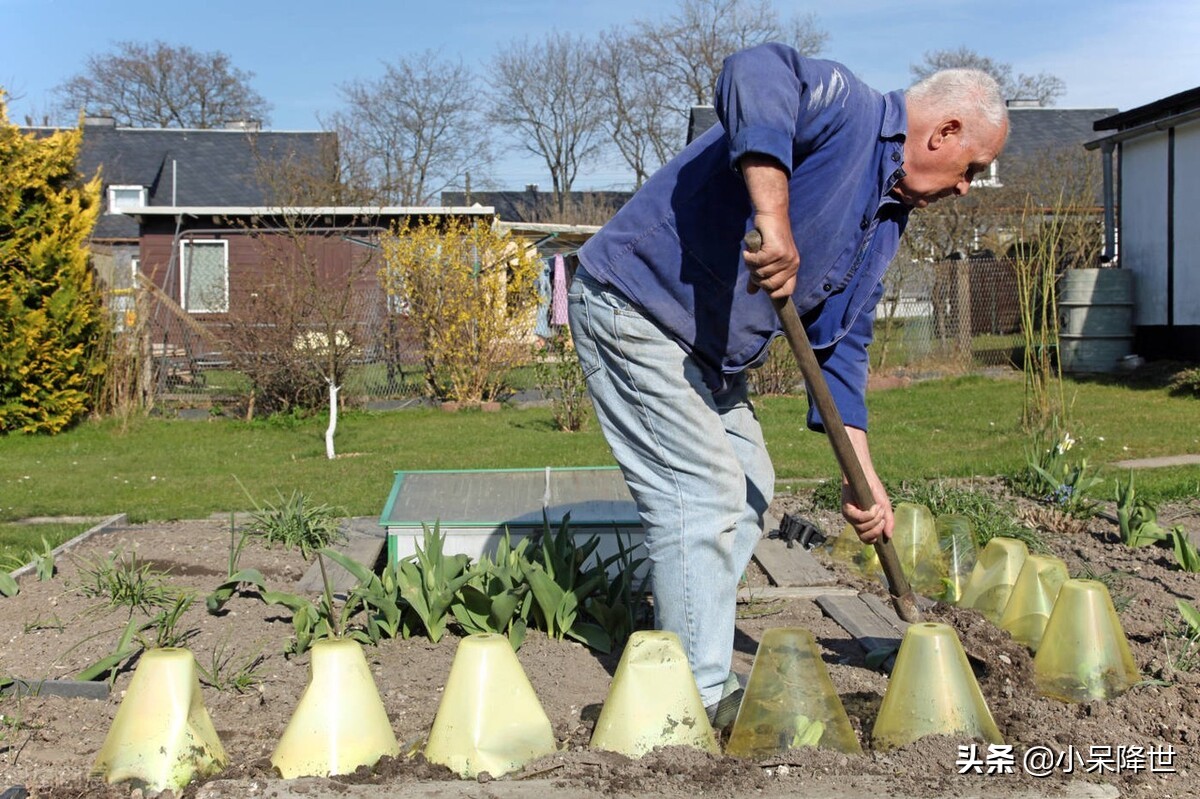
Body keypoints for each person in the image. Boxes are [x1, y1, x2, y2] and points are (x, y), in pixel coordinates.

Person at [566, 42, 1008, 726]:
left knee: (747, 486)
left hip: (705, 351)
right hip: (636, 306)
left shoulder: (886, 223)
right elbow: (756, 70)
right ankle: (689, 696)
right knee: (702, 493)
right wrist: (774, 221)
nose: (967, 186)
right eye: (972, 167)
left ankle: (679, 630)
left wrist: (865, 481)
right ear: (943, 132)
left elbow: (841, 350)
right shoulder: (850, 110)